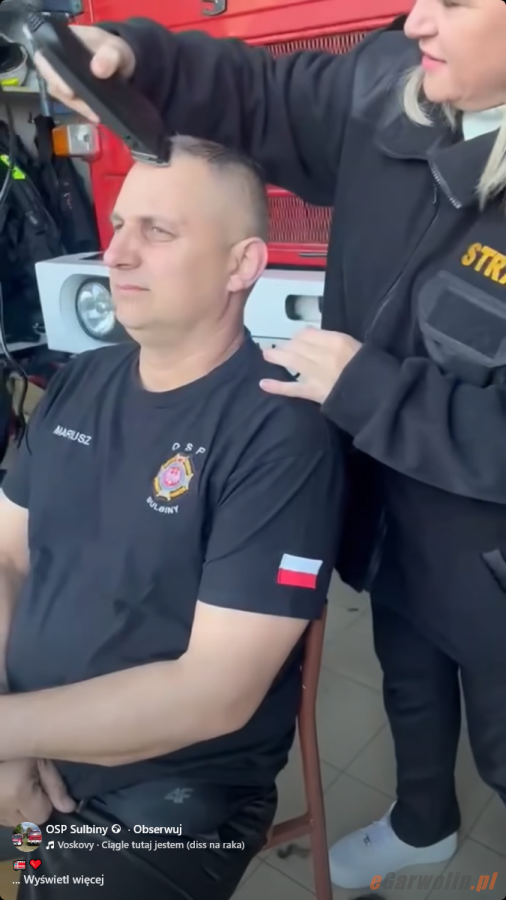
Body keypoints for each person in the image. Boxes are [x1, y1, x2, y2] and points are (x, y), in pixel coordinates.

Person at [31, 0, 506, 890]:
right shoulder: (395, 86)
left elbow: (214, 692)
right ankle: (422, 824)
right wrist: (135, 60)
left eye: (455, 3)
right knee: (409, 676)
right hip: (392, 519)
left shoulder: (272, 441)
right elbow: (261, 95)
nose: (415, 22)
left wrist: (375, 393)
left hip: (491, 558)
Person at [0, 136, 343, 898]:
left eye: (157, 231)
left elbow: (213, 692)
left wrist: (8, 734)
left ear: (241, 265)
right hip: (23, 728)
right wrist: (11, 730)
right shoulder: (79, 381)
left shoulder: (281, 434)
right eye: (120, 225)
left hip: (170, 788)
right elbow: (6, 556)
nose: (117, 253)